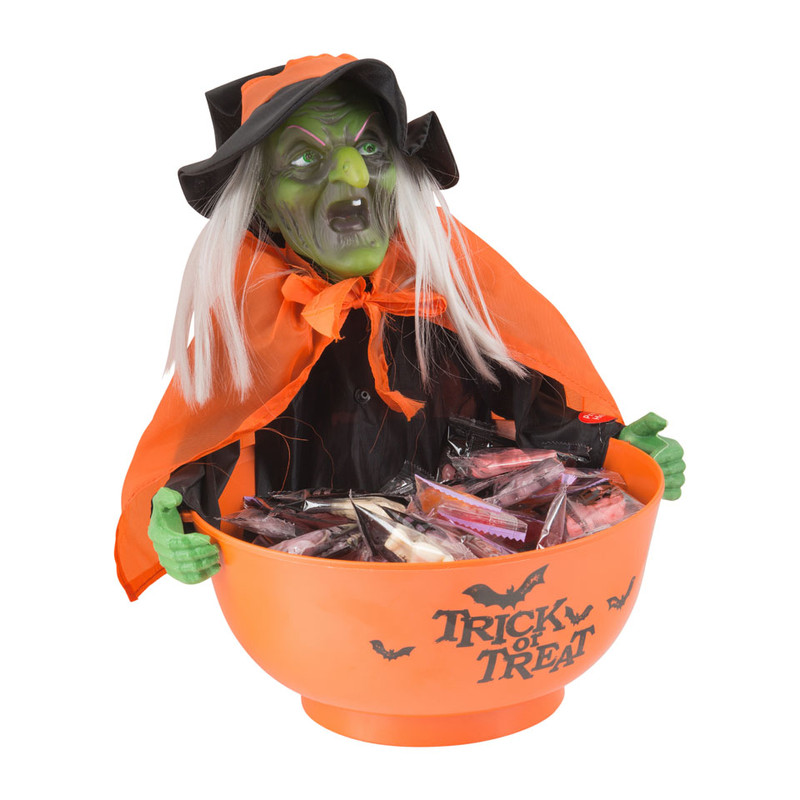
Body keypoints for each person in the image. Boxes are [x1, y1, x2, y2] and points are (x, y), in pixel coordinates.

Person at [116, 54, 685, 598]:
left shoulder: (448, 287)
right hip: (313, 591)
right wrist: (171, 519)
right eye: (304, 160)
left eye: (370, 147)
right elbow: (206, 440)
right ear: (261, 201)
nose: (352, 173)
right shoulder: (255, 319)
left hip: (465, 571)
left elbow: (533, 394)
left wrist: (614, 450)